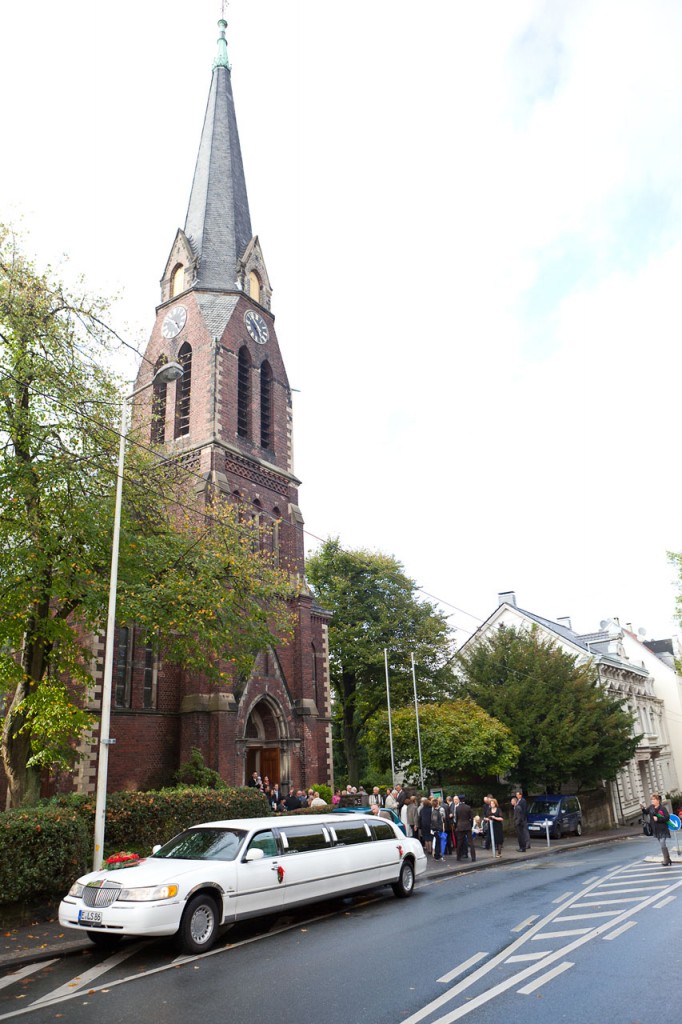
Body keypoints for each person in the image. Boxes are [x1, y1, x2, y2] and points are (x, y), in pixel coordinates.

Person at [641, 793, 672, 865]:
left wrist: (658, 819)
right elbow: (646, 812)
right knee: (661, 844)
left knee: (662, 843)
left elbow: (667, 818)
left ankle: (666, 860)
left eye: (654, 799)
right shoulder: (651, 807)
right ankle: (668, 859)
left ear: (658, 800)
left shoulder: (662, 808)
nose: (652, 801)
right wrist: (642, 808)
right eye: (652, 799)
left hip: (663, 829)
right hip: (655, 829)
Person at [455, 795, 476, 862]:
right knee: (471, 842)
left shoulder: (457, 808)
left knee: (459, 842)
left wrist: (457, 826)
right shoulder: (468, 807)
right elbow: (471, 818)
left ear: (459, 800)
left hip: (460, 826)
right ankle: (473, 858)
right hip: (467, 826)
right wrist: (471, 825)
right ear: (464, 799)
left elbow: (456, 818)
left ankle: (458, 857)